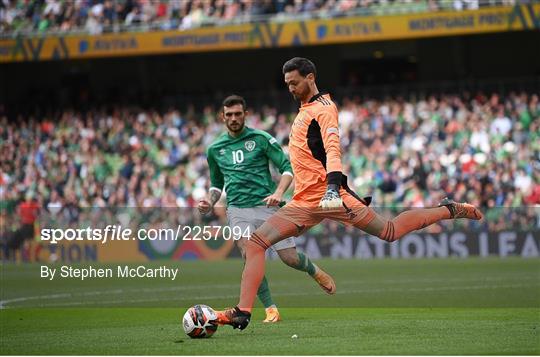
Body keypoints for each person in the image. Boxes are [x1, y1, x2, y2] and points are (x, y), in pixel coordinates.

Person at [215, 57, 483, 330]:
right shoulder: (305, 109)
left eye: (294, 83)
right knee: (256, 244)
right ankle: (243, 312)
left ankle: (448, 209)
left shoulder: (324, 108)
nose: (291, 88)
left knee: (389, 232)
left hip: (330, 196)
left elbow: (333, 149)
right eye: (287, 84)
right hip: (305, 201)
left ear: (310, 78)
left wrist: (332, 187)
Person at [197, 94, 335, 323]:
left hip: (267, 206)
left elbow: (287, 167)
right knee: (249, 254)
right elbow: (216, 184)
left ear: (245, 115)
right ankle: (271, 309)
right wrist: (209, 201)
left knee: (289, 258)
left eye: (237, 114)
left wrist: (279, 193)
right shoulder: (214, 149)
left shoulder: (261, 139)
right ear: (222, 117)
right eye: (229, 115)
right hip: (238, 209)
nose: (233, 118)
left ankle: (314, 271)